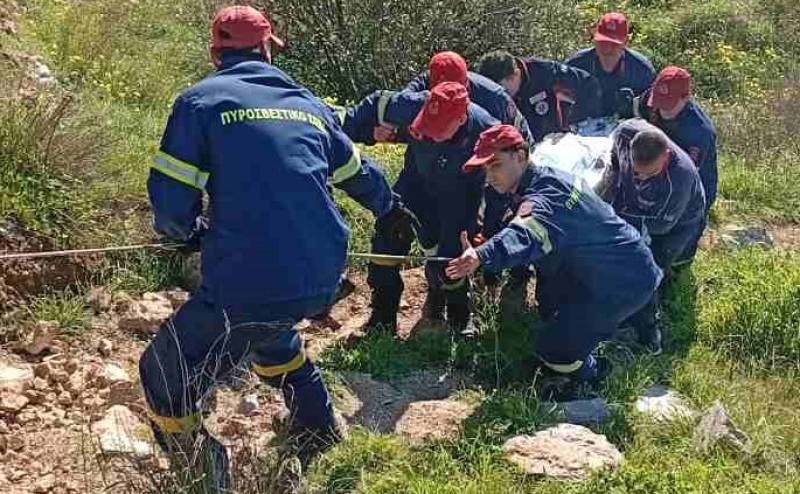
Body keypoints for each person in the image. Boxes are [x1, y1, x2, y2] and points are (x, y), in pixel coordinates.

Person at [139, 6, 413, 490]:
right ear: (268, 49)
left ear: (215, 52)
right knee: (267, 329)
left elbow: (172, 203)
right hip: (322, 271)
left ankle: (204, 471)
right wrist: (390, 210)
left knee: (163, 370)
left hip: (252, 278)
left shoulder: (200, 104)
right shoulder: (307, 104)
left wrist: (184, 235)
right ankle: (318, 425)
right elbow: (360, 175)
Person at [446, 124, 662, 398]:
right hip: (619, 262)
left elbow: (527, 230)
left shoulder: (544, 199)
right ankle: (620, 327)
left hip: (620, 282)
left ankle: (593, 375)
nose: (490, 176)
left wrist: (482, 255)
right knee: (550, 303)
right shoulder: (549, 178)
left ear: (521, 156)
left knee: (554, 350)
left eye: (496, 165)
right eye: (486, 169)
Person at [342, 82, 518, 336]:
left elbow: (503, 186)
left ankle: (459, 317)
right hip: (415, 184)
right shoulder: (412, 105)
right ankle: (382, 317)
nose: (432, 134)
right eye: (428, 125)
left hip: (459, 196)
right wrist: (368, 131)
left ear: (461, 118)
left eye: (440, 129)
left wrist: (488, 230)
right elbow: (372, 107)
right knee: (388, 237)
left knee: (451, 252)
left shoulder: (486, 131)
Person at [598, 119, 706, 354]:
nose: (641, 178)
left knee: (646, 270)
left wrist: (616, 223)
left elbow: (658, 227)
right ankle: (621, 313)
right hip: (636, 208)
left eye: (650, 174)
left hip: (674, 224)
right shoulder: (626, 134)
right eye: (637, 173)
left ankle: (648, 335)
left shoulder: (680, 179)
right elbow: (616, 162)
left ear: (665, 157)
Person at [620, 66, 718, 265]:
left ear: (685, 98)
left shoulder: (698, 133)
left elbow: (684, 177)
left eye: (669, 105)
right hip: (654, 166)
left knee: (676, 245)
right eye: (659, 102)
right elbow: (637, 115)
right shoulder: (652, 100)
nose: (662, 110)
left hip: (692, 188)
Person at [395, 51, 532, 143]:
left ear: (466, 82)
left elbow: (521, 138)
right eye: (444, 93)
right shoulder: (423, 84)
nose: (450, 94)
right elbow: (400, 106)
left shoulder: (494, 98)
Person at [477, 50, 602, 141]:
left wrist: (576, 122)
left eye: (502, 90)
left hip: (553, 142)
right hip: (518, 149)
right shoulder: (486, 92)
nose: (500, 95)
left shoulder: (544, 71)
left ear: (515, 75)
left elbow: (588, 83)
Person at [566, 12, 656, 118]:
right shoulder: (576, 65)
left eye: (614, 44)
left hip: (626, 130)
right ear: (595, 39)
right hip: (580, 130)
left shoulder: (642, 70)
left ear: (626, 42)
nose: (608, 49)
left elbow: (652, 114)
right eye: (603, 42)